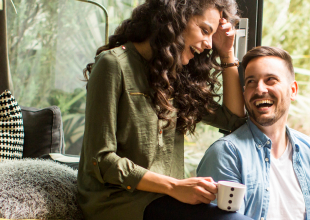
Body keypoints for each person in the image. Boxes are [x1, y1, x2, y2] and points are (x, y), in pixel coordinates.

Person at [77, 0, 252, 219]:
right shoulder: (113, 64)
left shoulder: (177, 75)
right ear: (175, 19)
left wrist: (227, 54)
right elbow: (101, 160)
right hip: (118, 202)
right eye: (204, 30)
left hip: (165, 199)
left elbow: (233, 120)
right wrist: (174, 186)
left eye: (212, 35)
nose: (209, 44)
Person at [197, 46, 310, 220]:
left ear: (293, 90)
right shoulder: (227, 154)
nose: (259, 89)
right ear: (244, 93)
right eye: (251, 81)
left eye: (270, 80)